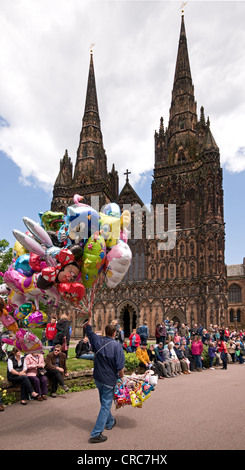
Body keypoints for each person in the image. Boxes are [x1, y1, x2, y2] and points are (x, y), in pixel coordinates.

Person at [85, 318, 125, 444]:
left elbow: (88, 330)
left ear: (104, 332)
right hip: (108, 379)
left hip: (98, 378)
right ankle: (96, 434)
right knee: (106, 405)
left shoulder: (97, 340)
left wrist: (89, 318)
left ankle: (110, 421)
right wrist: (122, 379)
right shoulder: (117, 346)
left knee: (103, 402)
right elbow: (120, 368)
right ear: (114, 334)